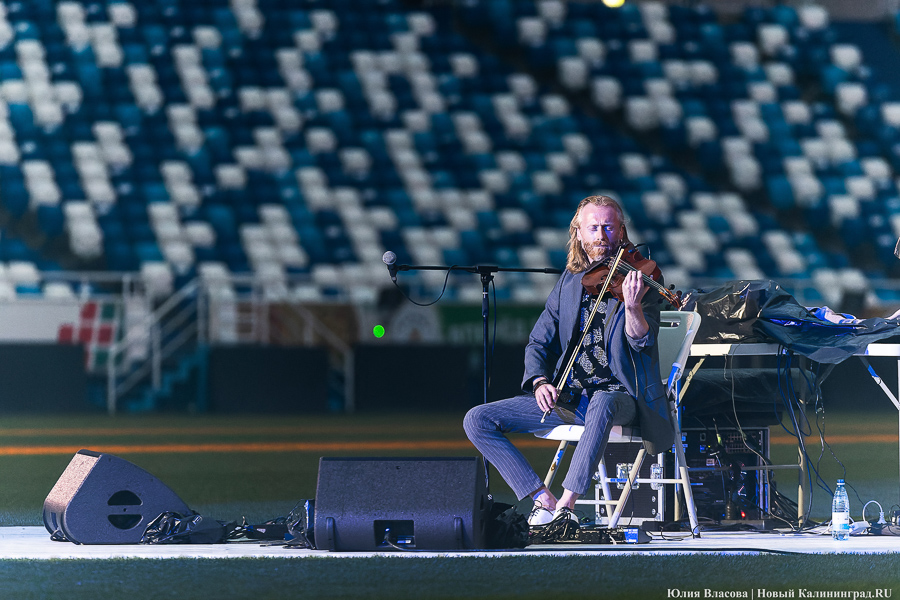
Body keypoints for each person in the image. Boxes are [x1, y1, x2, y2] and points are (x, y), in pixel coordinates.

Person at [463, 195, 674, 526]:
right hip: (571, 397)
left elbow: (641, 341)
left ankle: (567, 507)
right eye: (594, 228)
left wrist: (632, 307)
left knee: (602, 401)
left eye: (609, 227)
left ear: (621, 231)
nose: (602, 236)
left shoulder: (642, 277)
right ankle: (542, 500)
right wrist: (539, 381)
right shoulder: (570, 281)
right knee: (477, 419)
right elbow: (538, 341)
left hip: (623, 397)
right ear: (578, 232)